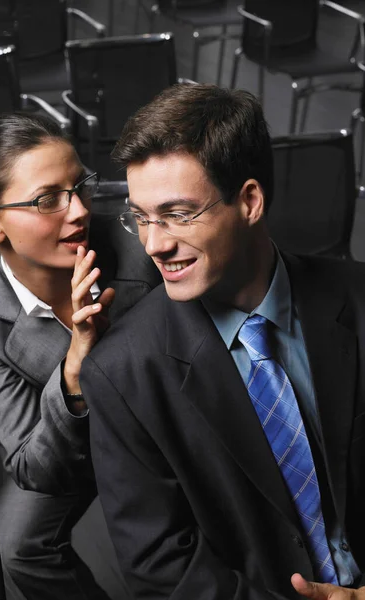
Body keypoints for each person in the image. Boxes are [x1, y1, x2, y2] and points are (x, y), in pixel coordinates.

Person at [80, 83, 365, 600]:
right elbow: (161, 565)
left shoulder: (359, 300)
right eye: (141, 217)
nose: (154, 244)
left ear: (250, 201)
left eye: (178, 214)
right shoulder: (122, 374)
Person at [0, 112, 154, 600]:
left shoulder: (140, 240)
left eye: (79, 186)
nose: (78, 211)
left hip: (163, 415)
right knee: (18, 547)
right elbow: (33, 465)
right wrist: (75, 366)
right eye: (46, 199)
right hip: (74, 437)